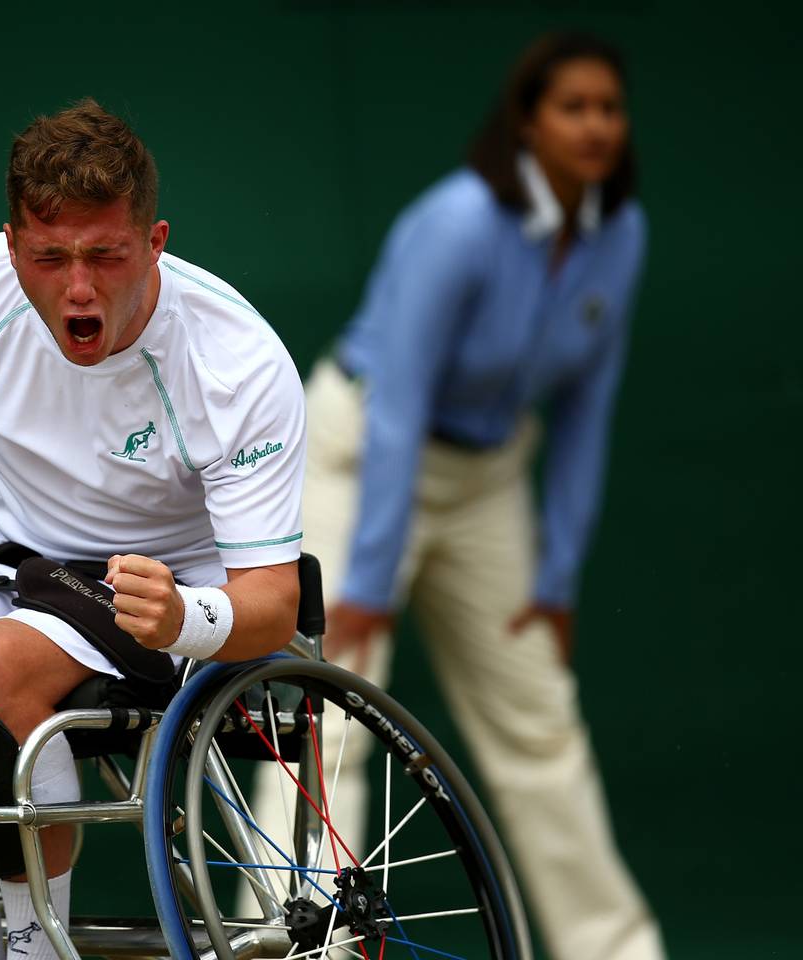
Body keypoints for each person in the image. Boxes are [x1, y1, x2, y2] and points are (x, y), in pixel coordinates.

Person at [0, 99, 306, 960]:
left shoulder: (235, 362)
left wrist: (187, 619)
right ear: (13, 246)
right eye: (50, 257)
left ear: (156, 241)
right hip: (17, 564)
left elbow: (274, 604)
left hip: (165, 587)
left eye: (106, 254)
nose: (80, 286)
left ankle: (35, 947)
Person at [297, 32, 665, 960]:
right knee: (330, 707)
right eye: (571, 107)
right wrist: (370, 585)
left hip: (485, 482)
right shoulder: (459, 222)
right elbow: (402, 403)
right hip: (360, 458)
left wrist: (559, 577)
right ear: (527, 122)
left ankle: (613, 948)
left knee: (541, 721)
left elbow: (587, 407)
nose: (594, 126)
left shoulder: (620, 236)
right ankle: (298, 941)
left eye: (608, 108)